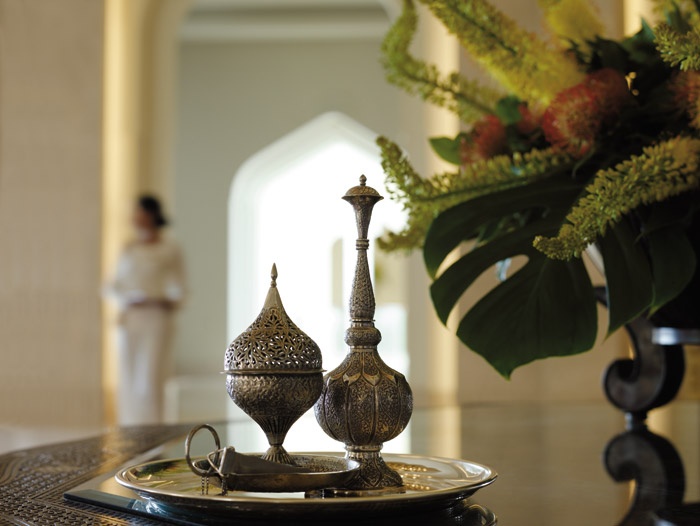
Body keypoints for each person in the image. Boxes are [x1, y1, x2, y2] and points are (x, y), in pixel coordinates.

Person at [105, 195, 187, 426]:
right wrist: (128, 298)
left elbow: (180, 287)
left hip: (156, 317)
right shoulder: (129, 248)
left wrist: (165, 301)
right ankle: (129, 427)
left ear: (151, 214)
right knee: (129, 374)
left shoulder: (169, 248)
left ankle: (153, 428)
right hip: (131, 317)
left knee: (151, 375)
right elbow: (112, 286)